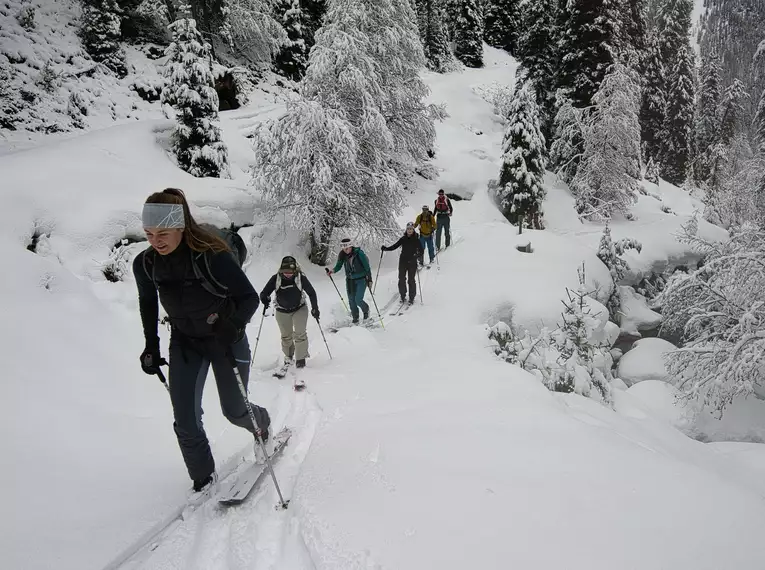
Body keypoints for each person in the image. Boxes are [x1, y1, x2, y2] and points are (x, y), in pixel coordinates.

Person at [133, 188, 270, 494]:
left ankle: (261, 426)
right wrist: (151, 345)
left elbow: (249, 298)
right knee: (185, 419)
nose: (155, 241)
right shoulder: (146, 264)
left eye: (163, 233)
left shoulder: (213, 256)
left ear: (180, 226)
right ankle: (204, 480)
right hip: (185, 342)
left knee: (235, 411)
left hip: (225, 339)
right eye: (149, 234)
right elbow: (148, 303)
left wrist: (233, 326)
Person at [259, 256, 319, 369]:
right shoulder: (275, 279)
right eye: (285, 272)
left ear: (295, 270)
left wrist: (315, 308)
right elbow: (264, 292)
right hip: (281, 310)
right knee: (286, 336)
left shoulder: (300, 278)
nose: (288, 274)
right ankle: (288, 356)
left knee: (300, 334)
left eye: (290, 272)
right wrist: (264, 298)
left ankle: (301, 358)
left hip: (299, 308)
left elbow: (311, 293)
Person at [326, 238, 372, 324]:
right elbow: (338, 266)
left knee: (358, 299)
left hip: (361, 279)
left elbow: (367, 267)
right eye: (343, 248)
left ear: (351, 246)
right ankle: (355, 318)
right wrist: (332, 271)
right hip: (350, 280)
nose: (345, 250)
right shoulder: (342, 255)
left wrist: (369, 280)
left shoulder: (359, 254)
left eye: (347, 248)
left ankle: (366, 311)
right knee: (351, 300)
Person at [382, 222, 424, 304]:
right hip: (403, 261)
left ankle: (412, 297)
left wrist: (416, 256)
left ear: (413, 230)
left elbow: (421, 251)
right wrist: (386, 249)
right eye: (408, 229)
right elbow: (395, 246)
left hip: (412, 262)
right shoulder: (403, 239)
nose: (409, 230)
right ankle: (402, 295)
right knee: (401, 279)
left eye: (411, 229)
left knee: (411, 280)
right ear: (406, 229)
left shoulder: (416, 239)